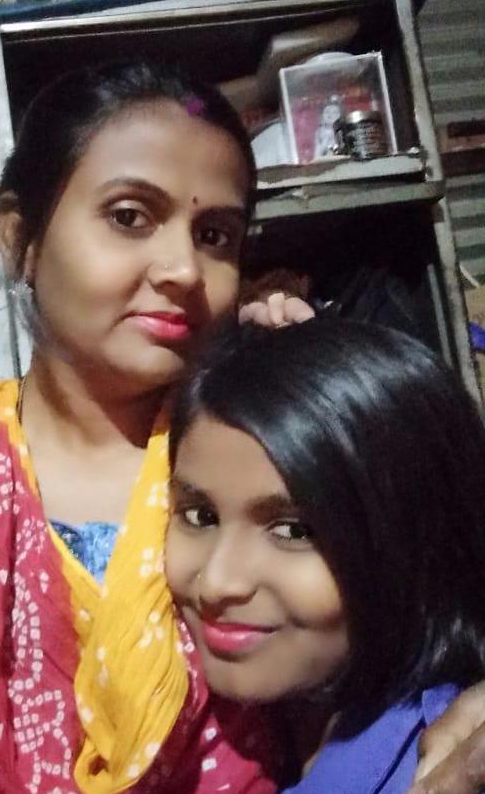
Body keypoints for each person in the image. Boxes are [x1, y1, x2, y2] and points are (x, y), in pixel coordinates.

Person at [0, 59, 482, 794]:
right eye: (129, 216)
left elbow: (437, 593)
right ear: (19, 238)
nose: (184, 270)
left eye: (216, 234)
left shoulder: (259, 449)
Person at [166, 318, 485, 794]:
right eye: (200, 516)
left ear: (414, 540)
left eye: (293, 530)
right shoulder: (258, 723)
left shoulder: (440, 765)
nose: (217, 582)